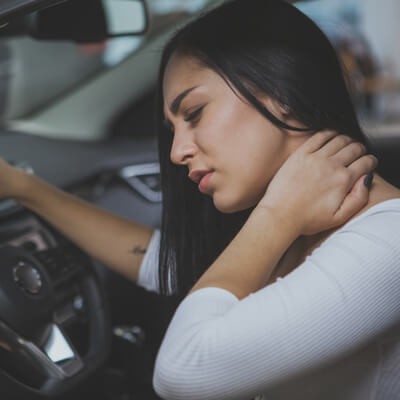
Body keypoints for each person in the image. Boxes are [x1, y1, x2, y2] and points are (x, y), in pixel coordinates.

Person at [0, 1, 397, 400]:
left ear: (283, 93)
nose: (177, 152)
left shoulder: (387, 240)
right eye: (172, 129)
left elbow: (184, 371)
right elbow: (165, 261)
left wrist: (276, 215)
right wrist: (25, 188)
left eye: (194, 113)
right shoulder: (303, 228)